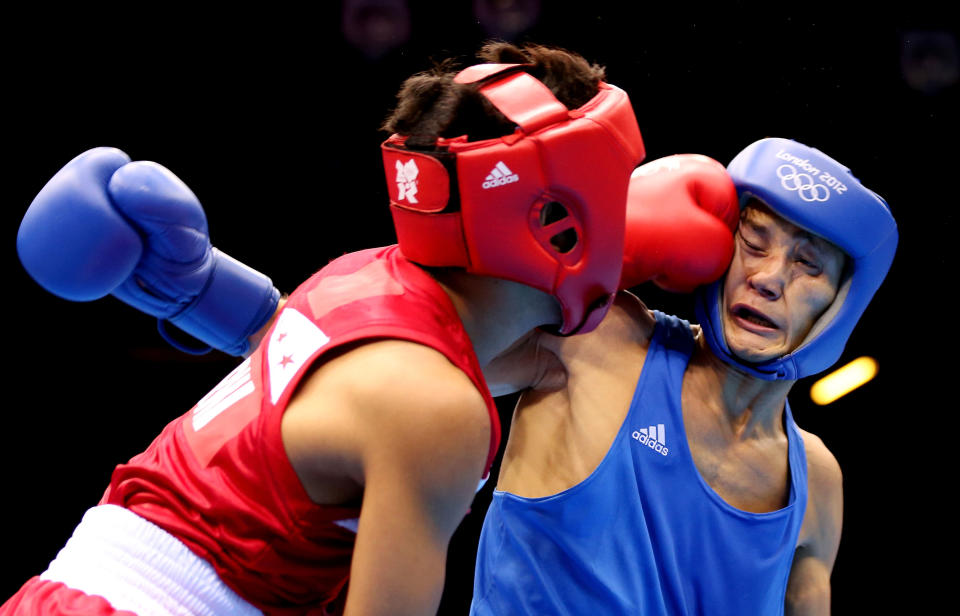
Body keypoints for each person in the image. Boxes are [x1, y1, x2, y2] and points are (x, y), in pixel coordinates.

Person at [5, 42, 656, 615]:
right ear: (556, 222)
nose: (634, 223)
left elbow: (543, 359)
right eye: (618, 193)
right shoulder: (438, 411)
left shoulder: (361, 278)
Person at [469, 138, 898, 615]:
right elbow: (444, 339)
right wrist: (598, 254)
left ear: (840, 306)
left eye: (807, 265)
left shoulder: (815, 481)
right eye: (753, 244)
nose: (769, 278)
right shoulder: (602, 340)